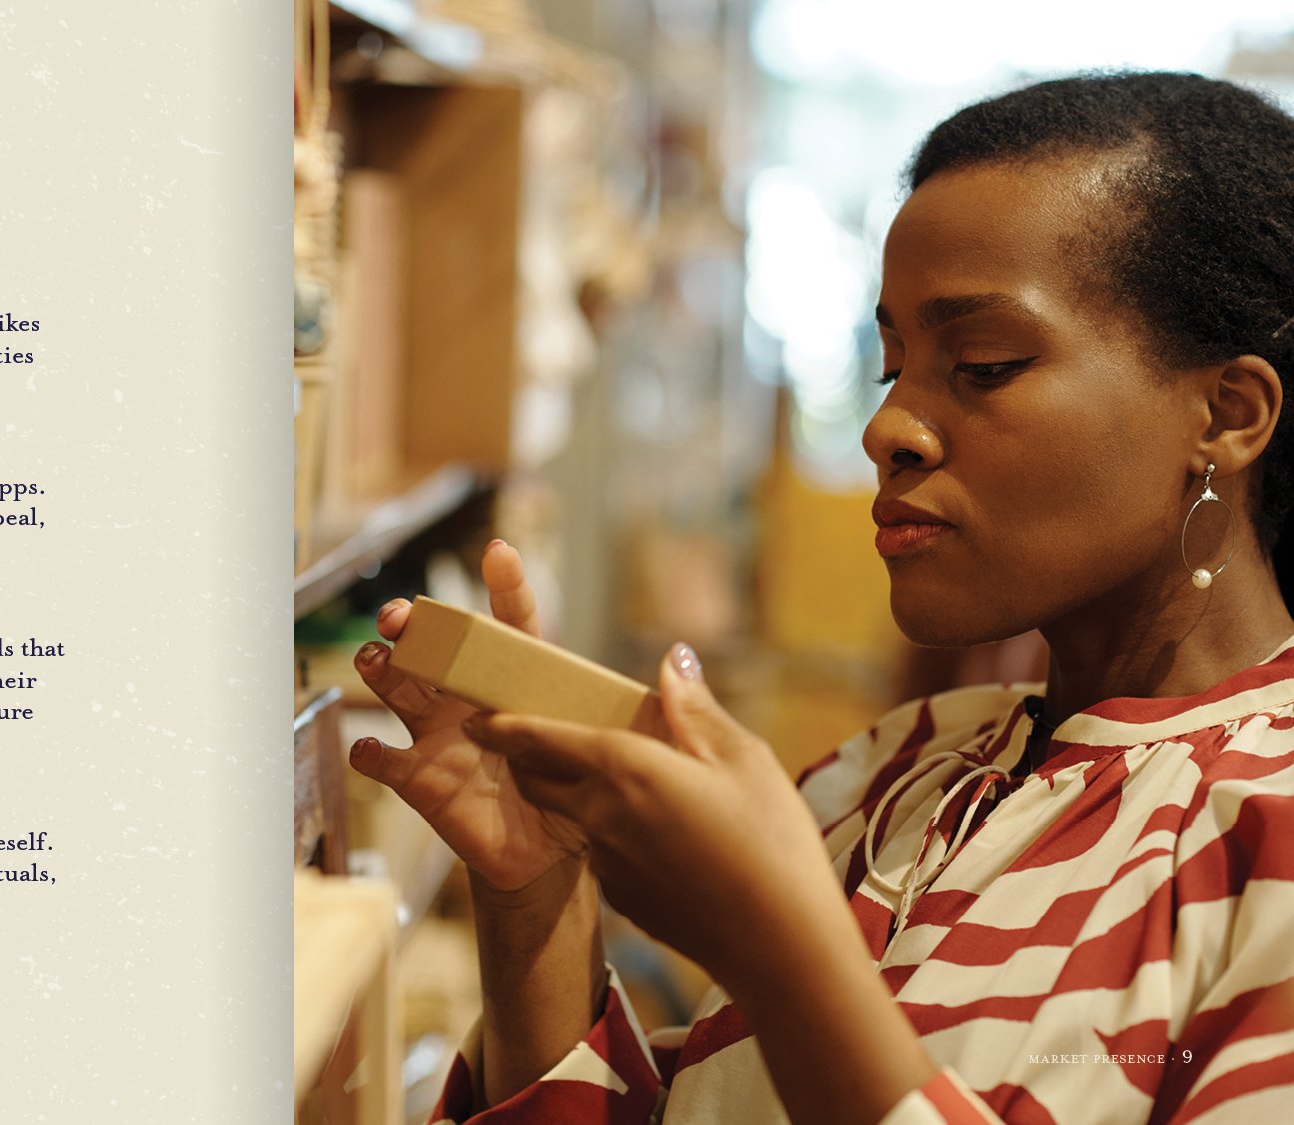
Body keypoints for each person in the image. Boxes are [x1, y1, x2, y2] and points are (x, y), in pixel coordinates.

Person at [349, 71, 1294, 1123]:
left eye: (979, 365)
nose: (888, 429)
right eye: (892, 367)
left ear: (1226, 413)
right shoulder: (889, 768)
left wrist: (776, 951)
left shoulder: (1266, 828)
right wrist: (533, 898)